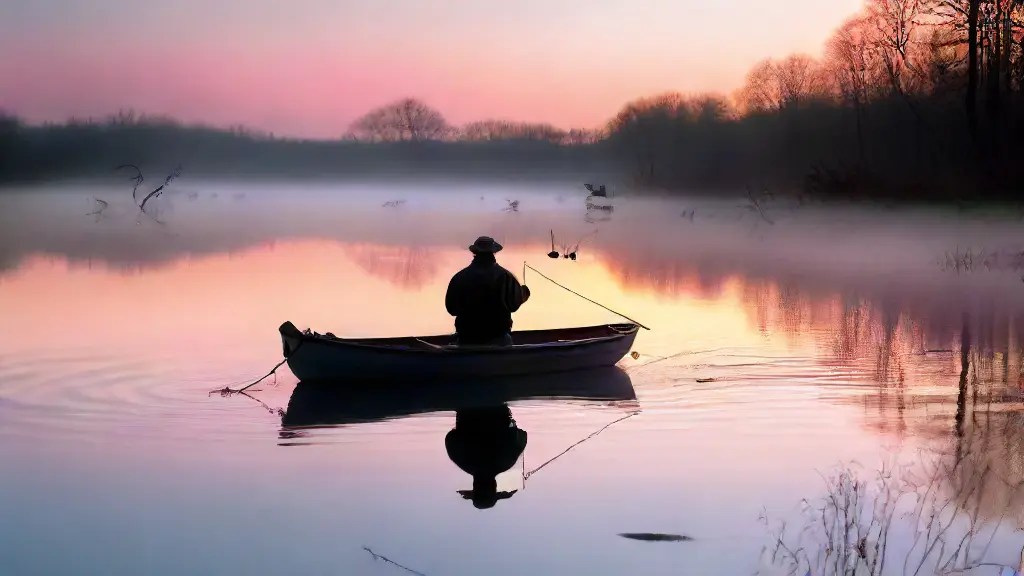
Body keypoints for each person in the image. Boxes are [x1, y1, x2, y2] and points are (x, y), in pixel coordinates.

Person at [445, 236, 530, 346]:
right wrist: (524, 293)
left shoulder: (460, 277)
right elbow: (514, 305)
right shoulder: (505, 276)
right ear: (493, 253)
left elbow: (452, 309)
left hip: (467, 339)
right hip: (499, 339)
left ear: (475, 253)